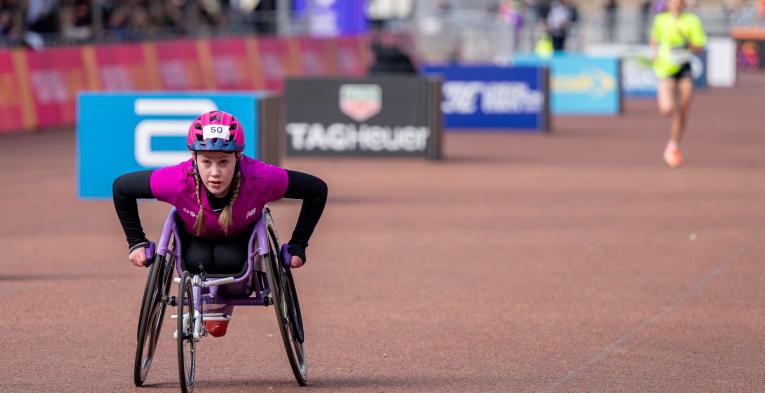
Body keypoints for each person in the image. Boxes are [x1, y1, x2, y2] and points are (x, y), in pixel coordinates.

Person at [113, 110, 328, 336]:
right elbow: (122, 188)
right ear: (194, 158)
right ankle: (211, 304)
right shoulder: (177, 180)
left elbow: (317, 190)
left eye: (223, 162)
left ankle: (222, 303)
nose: (215, 173)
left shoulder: (260, 177)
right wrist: (136, 242)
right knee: (196, 262)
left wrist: (297, 245)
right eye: (206, 162)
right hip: (194, 240)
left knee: (231, 262)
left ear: (238, 157)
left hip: (239, 242)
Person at [649, 0, 706, 168]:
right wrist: (654, 52)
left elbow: (699, 45)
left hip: (685, 66)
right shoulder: (661, 20)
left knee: (682, 109)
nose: (675, 4)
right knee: (667, 109)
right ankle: (672, 138)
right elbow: (654, 39)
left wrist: (687, 43)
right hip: (666, 68)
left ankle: (673, 146)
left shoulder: (692, 21)